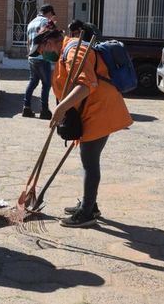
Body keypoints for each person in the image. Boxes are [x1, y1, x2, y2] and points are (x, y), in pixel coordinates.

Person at [28, 27, 133, 227]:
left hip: (99, 110)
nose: (42, 55)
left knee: (89, 161)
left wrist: (61, 108)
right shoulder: (65, 51)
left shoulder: (75, 51)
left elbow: (86, 85)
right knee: (89, 160)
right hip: (91, 110)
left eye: (41, 50)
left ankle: (87, 213)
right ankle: (89, 204)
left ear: (49, 42)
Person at [23, 4, 56, 120]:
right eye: (51, 15)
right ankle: (44, 110)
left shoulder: (31, 23)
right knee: (46, 84)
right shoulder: (46, 22)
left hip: (31, 57)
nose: (51, 17)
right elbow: (49, 40)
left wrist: (29, 54)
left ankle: (26, 107)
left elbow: (28, 41)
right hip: (42, 57)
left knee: (32, 82)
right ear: (49, 13)